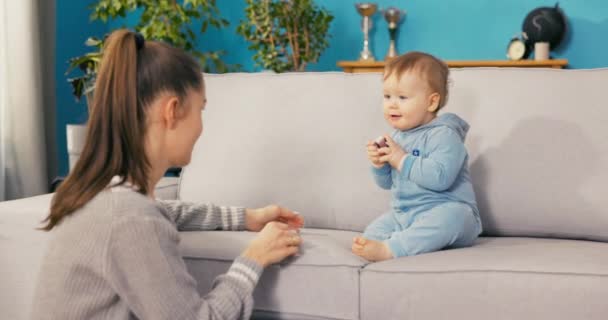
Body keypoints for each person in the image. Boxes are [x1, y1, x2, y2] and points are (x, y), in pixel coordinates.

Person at [31, 29, 303, 320]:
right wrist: (255, 257)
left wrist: (247, 217)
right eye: (201, 110)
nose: (201, 127)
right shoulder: (130, 218)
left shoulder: (105, 195)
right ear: (172, 111)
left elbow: (166, 212)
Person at [352, 52, 482, 262]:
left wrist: (400, 158)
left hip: (447, 210)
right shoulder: (397, 137)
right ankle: (392, 242)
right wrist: (379, 164)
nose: (392, 104)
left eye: (402, 97)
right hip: (406, 214)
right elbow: (387, 184)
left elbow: (440, 179)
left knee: (453, 217)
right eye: (387, 96)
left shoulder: (445, 134)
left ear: (431, 102)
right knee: (373, 232)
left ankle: (393, 249)